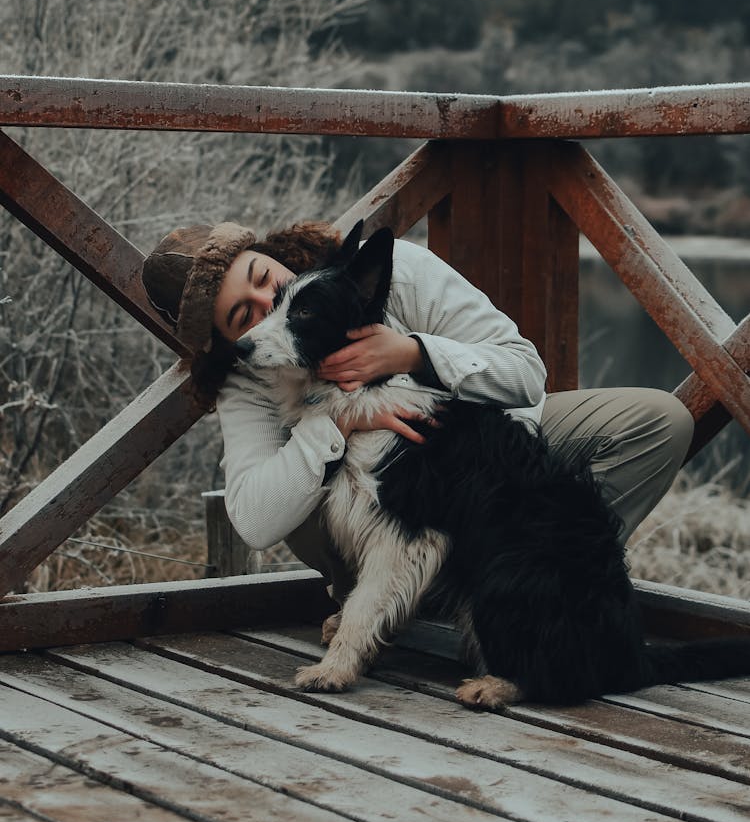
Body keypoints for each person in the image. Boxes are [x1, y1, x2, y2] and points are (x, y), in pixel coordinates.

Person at [141, 218, 695, 604]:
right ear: (228, 341)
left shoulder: (393, 269)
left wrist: (416, 352)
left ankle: (547, 587)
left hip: (484, 459)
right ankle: (401, 599)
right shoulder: (249, 371)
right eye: (243, 315)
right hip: (378, 517)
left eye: (262, 278)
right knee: (307, 504)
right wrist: (334, 425)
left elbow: (526, 373)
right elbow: (255, 520)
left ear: (268, 253)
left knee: (658, 421)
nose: (268, 305)